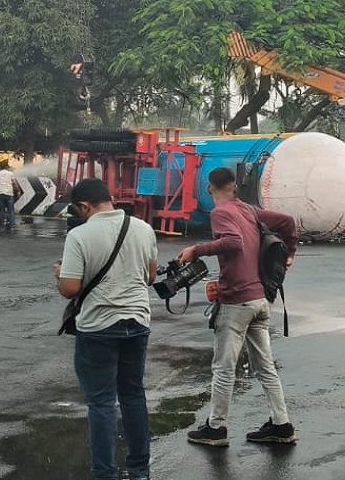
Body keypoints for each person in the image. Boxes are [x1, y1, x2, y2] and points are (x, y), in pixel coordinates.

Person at [177, 167, 299, 447]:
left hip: (237, 302)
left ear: (209, 189)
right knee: (265, 366)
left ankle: (216, 428)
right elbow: (288, 221)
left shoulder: (220, 213)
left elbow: (233, 242)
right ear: (235, 186)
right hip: (260, 299)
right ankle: (281, 425)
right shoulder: (251, 211)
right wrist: (289, 254)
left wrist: (196, 250)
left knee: (223, 368)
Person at [54, 179, 158, 480]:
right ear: (109, 198)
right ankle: (140, 472)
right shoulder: (143, 228)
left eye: (78, 210)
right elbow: (150, 276)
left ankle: (105, 474)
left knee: (101, 403)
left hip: (98, 328)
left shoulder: (79, 235)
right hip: (137, 324)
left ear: (84, 206)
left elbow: (70, 288)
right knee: (133, 396)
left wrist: (61, 274)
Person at [0, 158, 19, 233]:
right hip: (9, 194)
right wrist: (18, 191)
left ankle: (2, 226)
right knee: (11, 211)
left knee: (2, 211)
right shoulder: (10, 174)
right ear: (7, 165)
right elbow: (15, 183)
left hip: (1, 193)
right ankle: (11, 226)